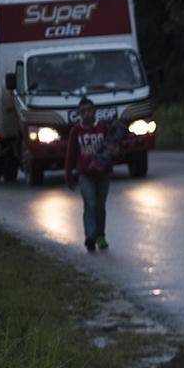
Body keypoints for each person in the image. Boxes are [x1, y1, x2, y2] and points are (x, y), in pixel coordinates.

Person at [61, 96, 120, 252]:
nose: (86, 113)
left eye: (89, 110)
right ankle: (90, 236)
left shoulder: (103, 128)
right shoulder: (76, 131)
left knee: (100, 206)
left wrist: (115, 152)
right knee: (90, 203)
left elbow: (112, 147)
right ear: (79, 114)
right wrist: (68, 175)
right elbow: (71, 154)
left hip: (103, 174)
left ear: (94, 111)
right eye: (82, 111)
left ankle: (100, 236)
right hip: (85, 174)